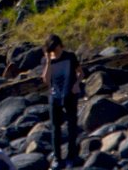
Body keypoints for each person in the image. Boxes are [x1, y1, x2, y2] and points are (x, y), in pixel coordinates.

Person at [42, 34, 83, 168]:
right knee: (55, 129)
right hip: (55, 96)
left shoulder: (70, 56)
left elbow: (80, 73)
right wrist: (48, 61)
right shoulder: (49, 60)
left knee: (72, 125)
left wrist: (77, 83)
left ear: (61, 46)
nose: (56, 52)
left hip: (70, 95)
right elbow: (46, 80)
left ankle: (72, 155)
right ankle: (57, 158)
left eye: (57, 49)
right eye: (53, 50)